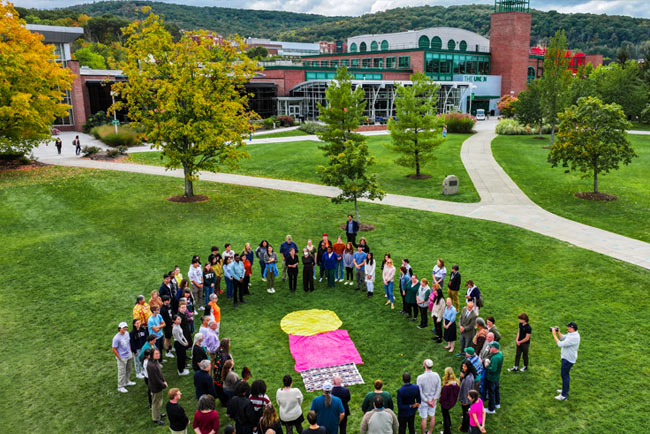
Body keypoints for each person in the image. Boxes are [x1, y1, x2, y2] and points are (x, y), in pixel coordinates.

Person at [552, 321, 581, 401]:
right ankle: (565, 390)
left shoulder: (574, 337)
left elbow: (560, 344)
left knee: (564, 376)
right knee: (565, 375)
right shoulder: (572, 334)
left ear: (572, 328)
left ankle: (563, 396)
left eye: (569, 327)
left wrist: (554, 334)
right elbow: (562, 338)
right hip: (567, 357)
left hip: (568, 359)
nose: (567, 328)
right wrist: (558, 332)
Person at [416, 359, 440, 434]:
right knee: (432, 416)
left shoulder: (420, 377)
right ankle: (430, 432)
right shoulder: (436, 375)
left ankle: (423, 433)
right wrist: (433, 400)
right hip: (433, 401)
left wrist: (427, 401)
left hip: (424, 402)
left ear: (425, 366)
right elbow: (438, 388)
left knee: (424, 418)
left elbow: (419, 391)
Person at [112, 321, 135, 393]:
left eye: (126, 327)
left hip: (129, 355)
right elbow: (114, 349)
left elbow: (129, 343)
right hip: (122, 357)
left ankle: (127, 381)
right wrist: (119, 358)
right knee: (121, 372)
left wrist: (130, 351)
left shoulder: (127, 334)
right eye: (124, 327)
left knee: (129, 369)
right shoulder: (116, 338)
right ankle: (120, 386)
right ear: (119, 328)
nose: (125, 329)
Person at [147, 348, 168, 426]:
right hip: (155, 387)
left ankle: (158, 414)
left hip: (159, 385)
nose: (158, 355)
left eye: (159, 353)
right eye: (156, 354)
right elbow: (155, 379)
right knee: (156, 403)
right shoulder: (151, 366)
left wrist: (164, 380)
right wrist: (163, 385)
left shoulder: (155, 361)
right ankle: (156, 418)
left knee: (159, 402)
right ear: (152, 355)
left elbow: (160, 373)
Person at [439, 367, 460, 434]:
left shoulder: (446, 387)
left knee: (445, 416)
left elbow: (443, 397)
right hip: (452, 402)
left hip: (446, 404)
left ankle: (447, 431)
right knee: (446, 414)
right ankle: (449, 424)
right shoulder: (456, 383)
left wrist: (440, 400)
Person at [483, 342, 503, 414]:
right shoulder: (500, 354)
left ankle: (491, 409)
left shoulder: (495, 357)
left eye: (491, 347)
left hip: (491, 377)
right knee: (496, 390)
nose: (490, 348)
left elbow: (493, 369)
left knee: (491, 393)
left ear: (495, 348)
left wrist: (487, 365)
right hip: (496, 377)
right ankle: (497, 403)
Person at [458, 360, 476, 433]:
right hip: (466, 398)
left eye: (465, 366)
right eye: (463, 366)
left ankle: (464, 427)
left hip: (466, 399)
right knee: (465, 413)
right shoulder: (467, 374)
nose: (463, 368)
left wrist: (465, 401)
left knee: (466, 413)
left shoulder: (469, 378)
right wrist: (461, 377)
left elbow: (466, 391)